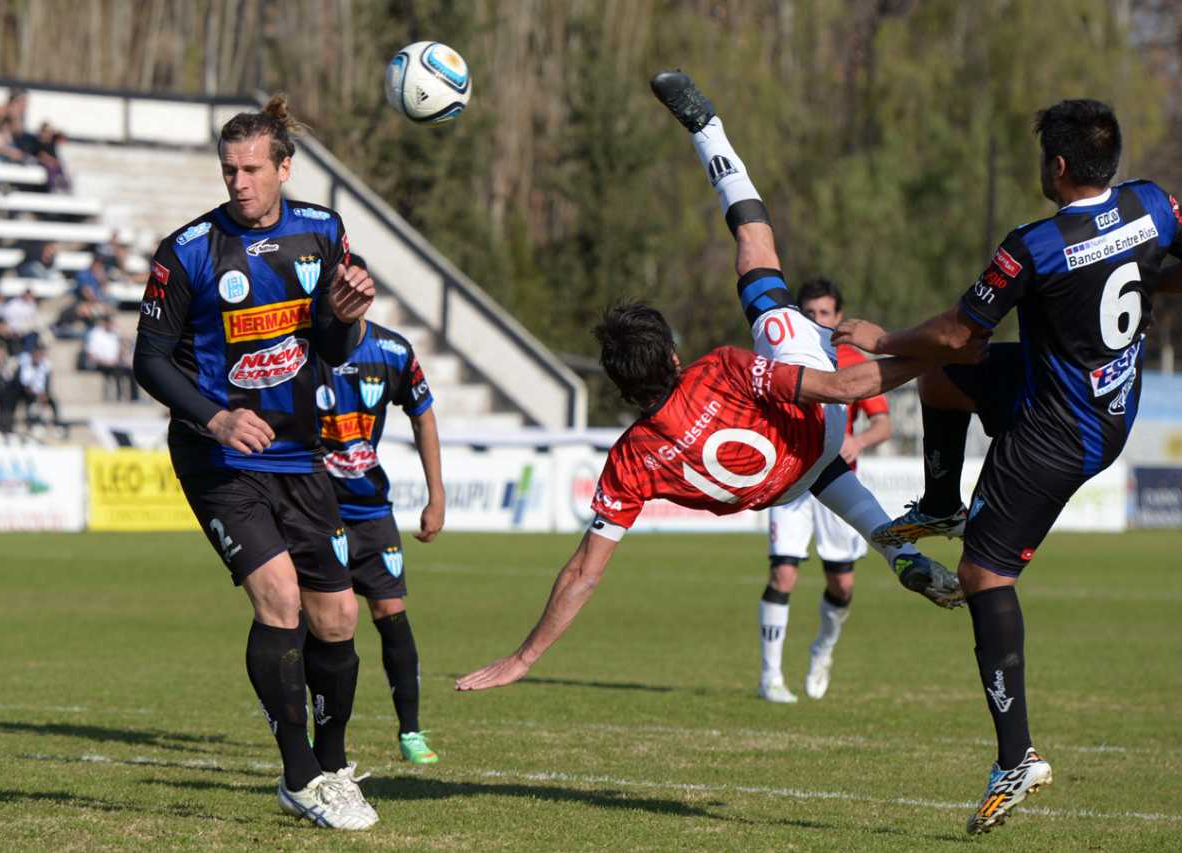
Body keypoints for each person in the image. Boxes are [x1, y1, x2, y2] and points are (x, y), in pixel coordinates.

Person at [456, 71, 968, 697]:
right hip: (817, 436)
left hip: (783, 485)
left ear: (621, 387)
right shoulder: (719, 370)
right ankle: (708, 131)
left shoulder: (629, 461)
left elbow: (584, 572)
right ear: (674, 356)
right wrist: (925, 350)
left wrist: (524, 657)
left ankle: (900, 553)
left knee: (818, 469)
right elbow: (842, 390)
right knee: (760, 268)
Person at [835, 99, 1182, 835]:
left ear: (1056, 166)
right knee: (942, 383)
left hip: (1061, 429)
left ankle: (1015, 757)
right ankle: (940, 501)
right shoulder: (1152, 205)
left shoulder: (1035, 246)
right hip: (1101, 396)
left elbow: (958, 333)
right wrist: (1145, 276)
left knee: (983, 576)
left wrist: (883, 337)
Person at [132, 95, 380, 831]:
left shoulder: (323, 231)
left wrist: (346, 315)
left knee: (337, 617)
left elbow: (333, 346)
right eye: (228, 170)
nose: (238, 183)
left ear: (284, 168)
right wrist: (215, 417)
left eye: (251, 170)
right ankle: (299, 774)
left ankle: (333, 765)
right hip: (217, 455)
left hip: (300, 453)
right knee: (278, 599)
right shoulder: (187, 251)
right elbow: (148, 360)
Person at [316, 290, 446, 766]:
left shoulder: (392, 351)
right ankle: (320, 733)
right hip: (315, 508)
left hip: (370, 509)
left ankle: (410, 730)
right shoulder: (303, 348)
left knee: (390, 611)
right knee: (323, 620)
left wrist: (437, 495)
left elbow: (423, 417)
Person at [758, 277, 893, 703]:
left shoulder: (850, 358)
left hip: (837, 481)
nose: (818, 319)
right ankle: (770, 676)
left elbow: (883, 423)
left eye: (825, 313)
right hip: (792, 479)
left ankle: (823, 649)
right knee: (783, 573)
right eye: (810, 313)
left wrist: (858, 441)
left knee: (842, 585)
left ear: (839, 317)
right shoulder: (784, 354)